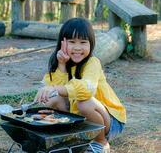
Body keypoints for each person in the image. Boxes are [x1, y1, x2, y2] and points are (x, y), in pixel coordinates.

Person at [34, 18, 126, 153]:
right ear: (62, 43)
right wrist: (62, 65)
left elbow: (86, 89)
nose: (77, 47)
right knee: (53, 99)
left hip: (111, 122)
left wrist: (54, 88)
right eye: (72, 42)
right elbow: (55, 90)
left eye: (83, 42)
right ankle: (70, 135)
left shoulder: (93, 63)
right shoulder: (62, 62)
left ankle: (101, 142)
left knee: (84, 102)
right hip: (82, 119)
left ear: (91, 44)